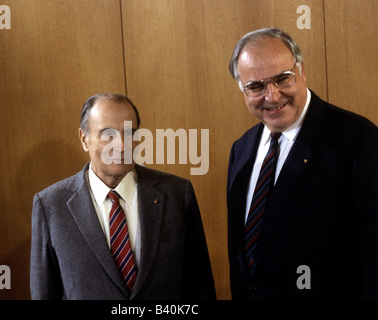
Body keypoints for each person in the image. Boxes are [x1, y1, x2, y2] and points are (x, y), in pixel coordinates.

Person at [226, 28, 378, 299]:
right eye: (256, 86)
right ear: (242, 89)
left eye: (282, 79)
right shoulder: (242, 149)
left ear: (301, 71)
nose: (272, 96)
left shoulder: (358, 140)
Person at [30, 93, 216, 299]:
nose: (120, 145)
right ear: (84, 139)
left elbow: (200, 287)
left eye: (129, 133)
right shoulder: (51, 206)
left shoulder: (177, 195)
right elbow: (44, 293)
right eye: (108, 134)